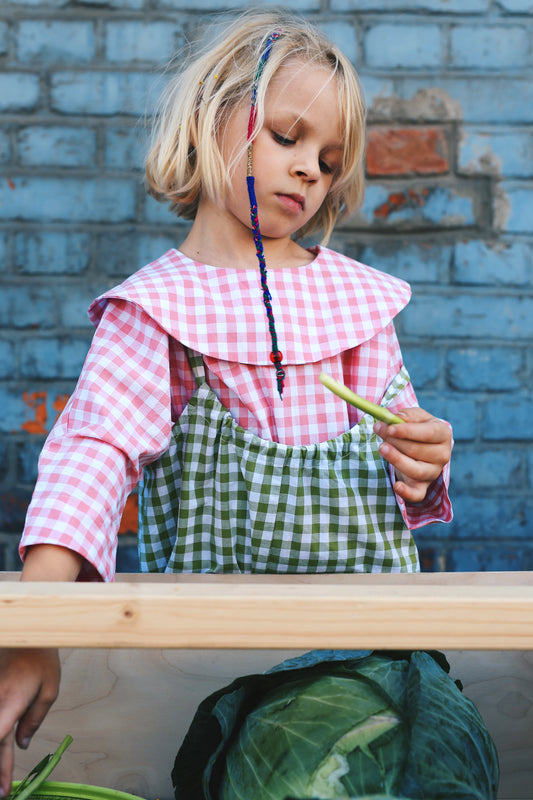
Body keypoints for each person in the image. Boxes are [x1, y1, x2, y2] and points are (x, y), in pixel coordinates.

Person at [0, 9, 453, 796]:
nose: (309, 170)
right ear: (210, 116)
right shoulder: (157, 310)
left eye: (328, 160)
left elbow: (401, 470)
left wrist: (421, 463)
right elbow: (93, 453)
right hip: (211, 670)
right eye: (285, 136)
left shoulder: (359, 305)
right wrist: (34, 626)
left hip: (371, 661)